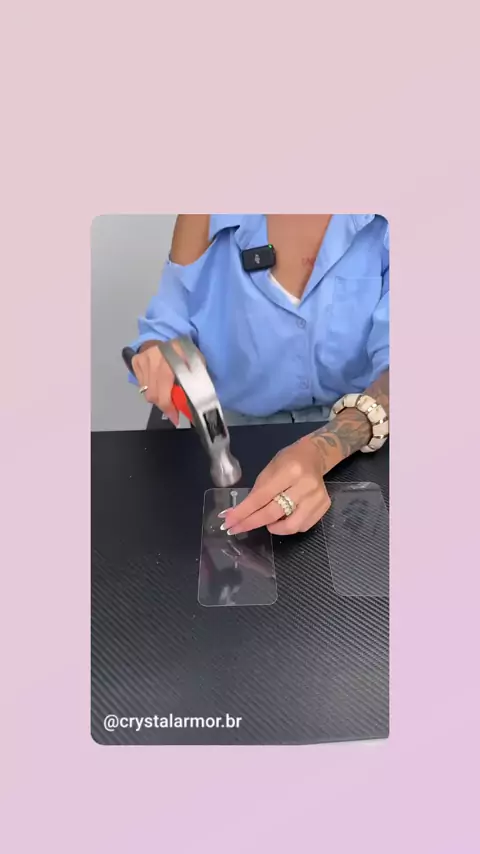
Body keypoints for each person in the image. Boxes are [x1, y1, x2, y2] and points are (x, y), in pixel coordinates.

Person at [126, 214, 389, 537]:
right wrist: (159, 352)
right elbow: (168, 324)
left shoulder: (389, 221)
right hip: (238, 431)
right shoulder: (204, 215)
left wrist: (321, 451)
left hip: (362, 433)